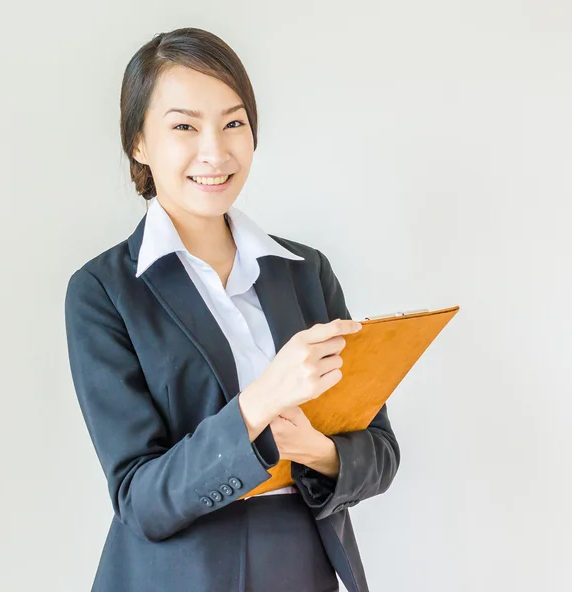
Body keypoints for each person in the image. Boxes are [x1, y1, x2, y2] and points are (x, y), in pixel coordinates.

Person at [64, 27, 401, 592]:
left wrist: (314, 451)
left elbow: (381, 452)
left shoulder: (305, 271)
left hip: (303, 567)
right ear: (139, 143)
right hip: (177, 576)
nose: (214, 152)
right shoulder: (104, 291)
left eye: (233, 123)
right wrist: (260, 405)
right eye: (184, 127)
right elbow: (139, 499)